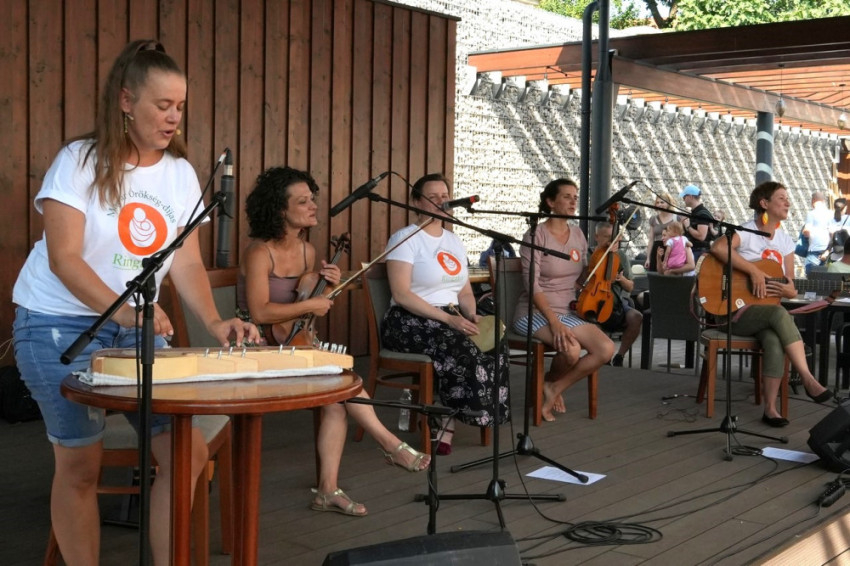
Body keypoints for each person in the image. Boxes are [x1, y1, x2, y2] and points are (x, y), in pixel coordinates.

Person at [11, 40, 260, 566]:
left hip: (134, 326)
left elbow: (186, 263)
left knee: (186, 453)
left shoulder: (180, 173)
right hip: (59, 325)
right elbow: (64, 258)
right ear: (126, 101)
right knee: (80, 468)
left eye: (180, 106)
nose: (174, 117)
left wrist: (214, 320)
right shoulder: (79, 160)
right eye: (162, 105)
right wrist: (126, 311)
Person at [238, 166, 430, 516]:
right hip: (257, 349)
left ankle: (328, 491)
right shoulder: (259, 252)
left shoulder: (308, 251)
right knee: (341, 384)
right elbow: (261, 312)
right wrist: (311, 304)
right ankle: (389, 444)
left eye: (312, 198)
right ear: (280, 209)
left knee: (338, 396)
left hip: (294, 345)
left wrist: (328, 286)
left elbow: (307, 314)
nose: (313, 206)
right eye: (303, 201)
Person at [381, 173, 510, 455]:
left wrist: (471, 315)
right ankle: (444, 418)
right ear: (416, 202)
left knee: (495, 343)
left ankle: (479, 414)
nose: (441, 202)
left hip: (450, 317)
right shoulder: (405, 238)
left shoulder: (453, 241)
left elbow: (464, 292)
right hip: (409, 320)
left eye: (445, 196)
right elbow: (402, 294)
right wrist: (450, 320)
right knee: (460, 346)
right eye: (433, 197)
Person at [709, 180, 833, 427]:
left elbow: (790, 286)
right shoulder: (746, 231)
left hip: (763, 313)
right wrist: (753, 271)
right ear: (764, 203)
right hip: (732, 310)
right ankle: (807, 378)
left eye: (788, 198)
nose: (788, 202)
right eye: (781, 198)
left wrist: (789, 289)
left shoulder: (785, 241)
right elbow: (718, 248)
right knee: (778, 314)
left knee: (774, 339)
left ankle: (770, 409)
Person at [513, 179, 614, 422]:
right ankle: (548, 388)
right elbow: (532, 285)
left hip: (568, 311)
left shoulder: (577, 233)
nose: (573, 201)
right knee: (571, 350)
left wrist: (602, 259)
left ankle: (552, 386)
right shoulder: (536, 234)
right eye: (566, 197)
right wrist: (554, 322)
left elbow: (581, 277)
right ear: (550, 202)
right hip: (534, 312)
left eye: (575, 197)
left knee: (606, 349)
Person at [593, 223, 642, 367]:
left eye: (613, 238)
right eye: (606, 237)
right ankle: (604, 355)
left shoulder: (620, 256)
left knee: (636, 317)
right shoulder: (590, 254)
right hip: (594, 302)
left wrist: (621, 279)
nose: (610, 242)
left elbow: (630, 286)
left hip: (617, 303)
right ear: (596, 237)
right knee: (593, 322)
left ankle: (620, 355)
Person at [679, 184, 718, 263]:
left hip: (699, 252)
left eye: (684, 197)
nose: (683, 199)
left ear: (690, 197)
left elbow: (701, 236)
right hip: (694, 251)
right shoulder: (696, 212)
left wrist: (688, 227)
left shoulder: (702, 214)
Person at [644, 193, 679, 272]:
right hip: (657, 249)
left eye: (662, 202)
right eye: (657, 202)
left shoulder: (676, 218)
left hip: (671, 249)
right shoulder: (653, 219)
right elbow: (651, 239)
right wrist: (648, 258)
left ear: (668, 203)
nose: (659, 204)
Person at [802, 191, 832, 275]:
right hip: (827, 252)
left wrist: (804, 231)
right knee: (824, 279)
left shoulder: (812, 214)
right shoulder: (830, 214)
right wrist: (827, 251)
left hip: (814, 251)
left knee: (811, 278)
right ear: (823, 201)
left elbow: (807, 232)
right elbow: (833, 234)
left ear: (813, 200)